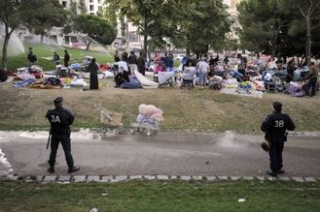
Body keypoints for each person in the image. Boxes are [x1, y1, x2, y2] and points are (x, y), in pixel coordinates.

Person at [260, 102, 295, 177]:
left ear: (274, 108)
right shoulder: (286, 117)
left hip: (271, 138)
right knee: (279, 153)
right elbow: (292, 127)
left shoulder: (270, 117)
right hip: (281, 138)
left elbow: (263, 128)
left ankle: (274, 170)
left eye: (272, 107)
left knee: (273, 154)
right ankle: (279, 168)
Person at [46, 97, 80, 174]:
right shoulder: (66, 112)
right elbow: (70, 122)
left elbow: (49, 119)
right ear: (61, 103)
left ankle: (51, 167)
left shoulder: (50, 112)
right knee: (67, 151)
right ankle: (71, 167)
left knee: (53, 151)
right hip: (64, 134)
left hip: (54, 133)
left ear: (55, 104)